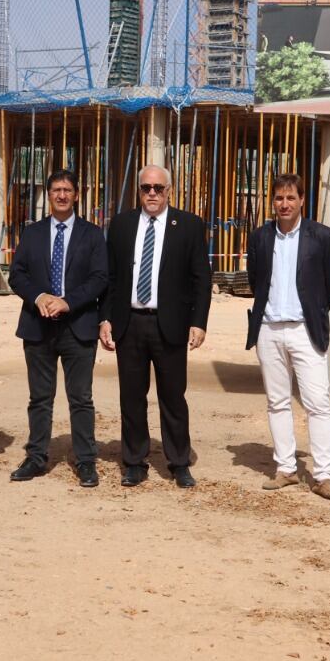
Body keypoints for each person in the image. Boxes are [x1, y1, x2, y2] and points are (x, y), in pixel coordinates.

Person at [100, 165, 213, 488]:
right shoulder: (121, 225)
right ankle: (134, 461)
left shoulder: (189, 226)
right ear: (138, 191)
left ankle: (179, 462)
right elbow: (110, 277)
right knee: (132, 396)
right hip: (129, 323)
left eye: (158, 188)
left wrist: (198, 322)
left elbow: (201, 280)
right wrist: (104, 318)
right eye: (146, 188)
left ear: (169, 191)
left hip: (171, 324)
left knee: (173, 396)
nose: (152, 193)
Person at [245, 173, 330, 500]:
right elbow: (255, 280)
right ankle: (285, 468)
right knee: (277, 402)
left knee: (318, 403)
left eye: (290, 198)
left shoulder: (322, 237)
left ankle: (323, 475)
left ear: (303, 200)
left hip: (305, 330)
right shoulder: (260, 237)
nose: (284, 204)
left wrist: (313, 312)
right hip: (269, 330)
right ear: (272, 202)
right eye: (278, 198)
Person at [8, 169, 109, 487]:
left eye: (67, 190)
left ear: (77, 195)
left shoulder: (92, 235)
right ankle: (36, 457)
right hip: (38, 325)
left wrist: (67, 302)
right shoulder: (32, 233)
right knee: (40, 398)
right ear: (48, 195)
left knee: (80, 397)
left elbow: (99, 278)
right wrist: (39, 296)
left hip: (77, 325)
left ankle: (86, 460)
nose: (62, 195)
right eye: (56, 190)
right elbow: (17, 273)